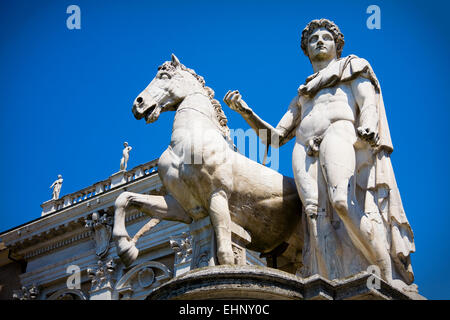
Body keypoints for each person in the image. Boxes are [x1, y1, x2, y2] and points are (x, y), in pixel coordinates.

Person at [224, 19, 416, 293]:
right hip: (303, 145)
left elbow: (368, 103)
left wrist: (369, 126)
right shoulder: (303, 93)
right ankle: (325, 283)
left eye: (326, 37)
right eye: (313, 39)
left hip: (339, 131)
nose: (319, 42)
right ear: (307, 50)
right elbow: (275, 138)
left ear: (337, 45)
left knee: (341, 202)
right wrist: (245, 111)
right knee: (314, 217)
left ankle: (386, 276)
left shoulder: (352, 66)